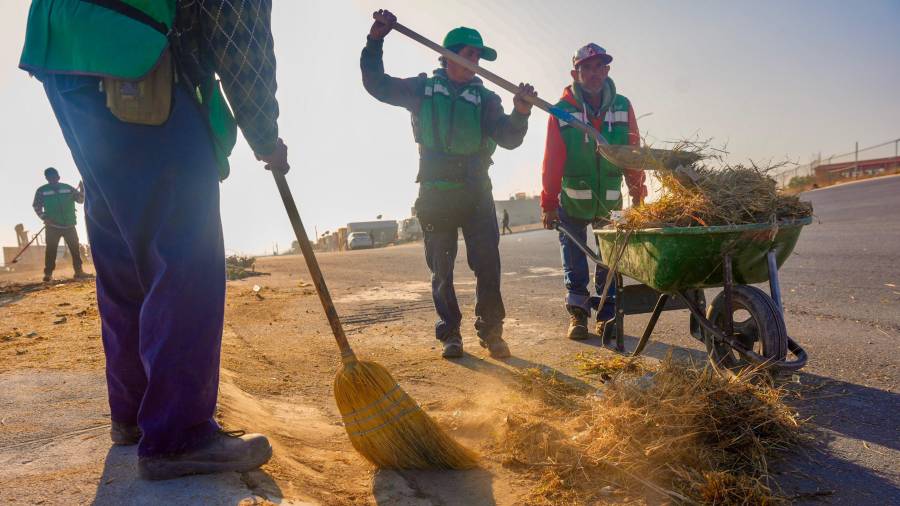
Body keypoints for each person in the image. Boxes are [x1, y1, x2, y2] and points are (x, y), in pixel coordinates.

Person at [19, 0, 289, 480]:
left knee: (123, 246)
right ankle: (178, 434)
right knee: (185, 249)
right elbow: (239, 38)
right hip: (132, 47)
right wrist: (266, 134)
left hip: (65, 45)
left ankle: (135, 414)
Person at [362, 9, 536, 359]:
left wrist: (521, 112)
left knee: (487, 265)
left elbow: (508, 137)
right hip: (436, 193)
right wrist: (375, 41)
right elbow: (377, 85)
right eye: (469, 54)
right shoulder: (423, 90)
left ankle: (491, 331)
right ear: (448, 55)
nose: (474, 62)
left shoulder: (487, 99)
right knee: (441, 269)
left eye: (478, 57)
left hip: (476, 193)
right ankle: (450, 334)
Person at [540, 43, 647, 341]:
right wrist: (548, 203)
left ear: (607, 70)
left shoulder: (623, 107)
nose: (593, 73)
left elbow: (632, 152)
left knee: (610, 256)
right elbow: (552, 159)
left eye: (599, 66)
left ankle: (608, 312)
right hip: (572, 199)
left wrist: (638, 192)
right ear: (576, 73)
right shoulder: (561, 111)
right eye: (586, 67)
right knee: (573, 254)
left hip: (611, 201)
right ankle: (578, 314)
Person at [32, 167, 87, 282]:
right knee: (51, 250)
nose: (53, 179)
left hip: (69, 225)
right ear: (47, 178)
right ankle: (48, 274)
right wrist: (44, 217)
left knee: (75, 249)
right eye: (50, 177)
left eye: (55, 176)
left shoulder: (67, 188)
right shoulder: (42, 191)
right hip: (52, 226)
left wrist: (82, 190)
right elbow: (36, 206)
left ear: (58, 177)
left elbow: (80, 200)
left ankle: (79, 272)